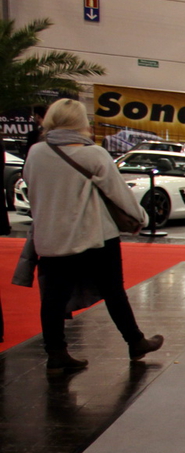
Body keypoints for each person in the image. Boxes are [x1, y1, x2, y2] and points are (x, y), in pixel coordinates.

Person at [22, 98, 162, 374]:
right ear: (80, 122)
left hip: (51, 237)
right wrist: (141, 218)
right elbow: (119, 193)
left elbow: (31, 186)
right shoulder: (94, 154)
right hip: (95, 236)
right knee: (113, 290)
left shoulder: (36, 152)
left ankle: (56, 353)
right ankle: (135, 341)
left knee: (53, 298)